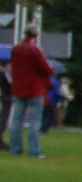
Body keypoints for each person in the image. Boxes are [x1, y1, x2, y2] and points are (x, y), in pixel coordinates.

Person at [6, 25, 53, 158]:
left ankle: (15, 148)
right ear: (36, 35)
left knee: (16, 120)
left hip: (18, 88)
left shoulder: (16, 49)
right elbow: (45, 69)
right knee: (34, 121)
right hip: (34, 88)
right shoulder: (35, 50)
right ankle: (34, 150)